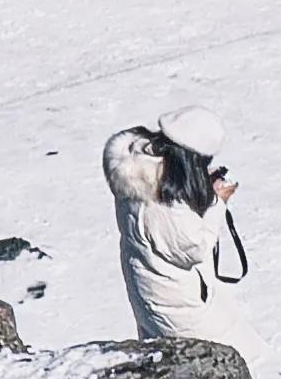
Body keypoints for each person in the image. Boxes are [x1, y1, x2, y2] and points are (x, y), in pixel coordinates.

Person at [103, 124, 244, 348]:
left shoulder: (136, 173)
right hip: (176, 306)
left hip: (149, 291)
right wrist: (216, 203)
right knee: (214, 354)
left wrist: (194, 184)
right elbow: (195, 248)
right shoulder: (166, 207)